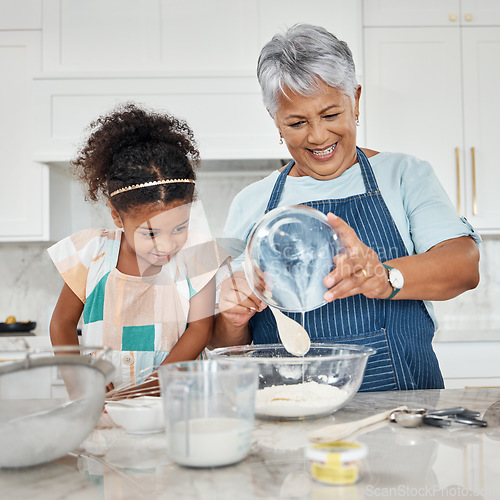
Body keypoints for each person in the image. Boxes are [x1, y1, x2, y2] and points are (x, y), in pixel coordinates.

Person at [212, 24, 481, 391]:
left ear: (356, 99)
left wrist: (385, 276)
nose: (318, 136)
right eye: (296, 122)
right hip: (291, 419)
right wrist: (231, 319)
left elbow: (464, 266)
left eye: (330, 114)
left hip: (403, 418)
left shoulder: (403, 175)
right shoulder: (251, 203)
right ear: (275, 121)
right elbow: (227, 350)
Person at [48, 103, 225, 394]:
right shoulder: (92, 252)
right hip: (103, 404)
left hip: (178, 397)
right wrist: (81, 378)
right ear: (117, 216)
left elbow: (200, 330)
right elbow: (62, 323)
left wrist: (149, 388)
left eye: (179, 228)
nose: (167, 245)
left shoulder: (199, 254)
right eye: (151, 233)